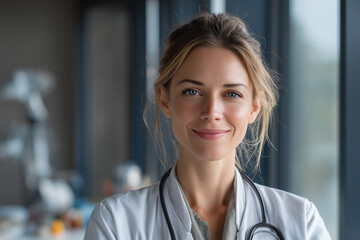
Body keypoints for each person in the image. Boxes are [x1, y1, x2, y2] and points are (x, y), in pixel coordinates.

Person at [84, 12, 331, 239]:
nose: (212, 112)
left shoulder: (302, 222)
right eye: (192, 91)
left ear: (254, 107)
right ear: (164, 99)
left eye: (232, 94)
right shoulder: (115, 223)